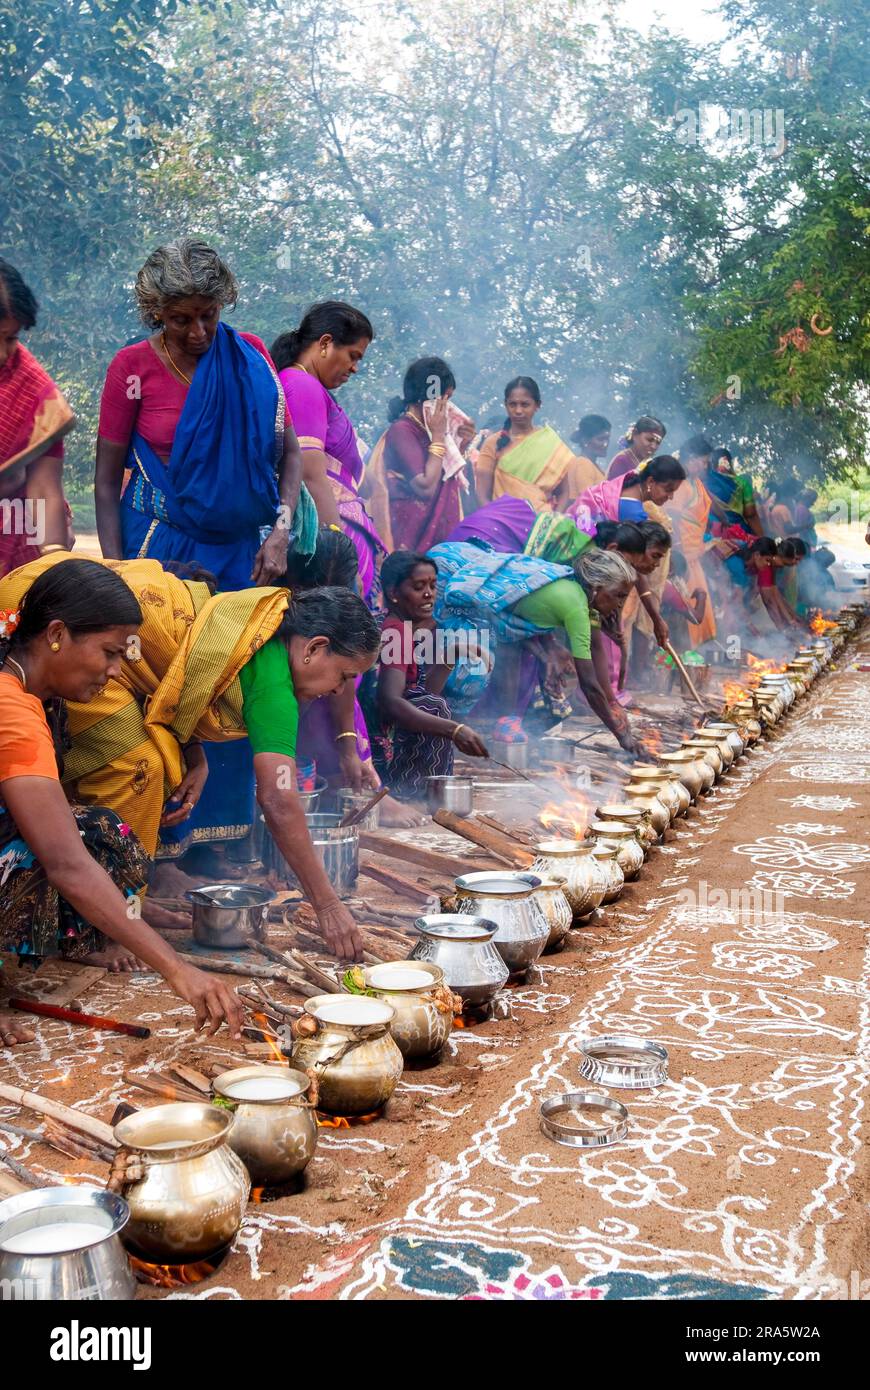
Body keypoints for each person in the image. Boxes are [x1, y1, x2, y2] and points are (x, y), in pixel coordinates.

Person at [0, 555, 381, 960]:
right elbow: (279, 800)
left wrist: (194, 754)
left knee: (156, 760)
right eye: (344, 675)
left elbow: (172, 685)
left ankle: (114, 902)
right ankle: (98, 929)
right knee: (137, 766)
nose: (341, 691)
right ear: (315, 648)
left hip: (39, 593)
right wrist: (328, 905)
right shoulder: (274, 684)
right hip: (47, 605)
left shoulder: (265, 625)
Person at [94, 238, 311, 870]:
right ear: (154, 312)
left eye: (208, 315)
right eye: (180, 318)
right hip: (158, 552)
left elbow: (290, 454)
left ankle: (219, 841)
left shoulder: (248, 358)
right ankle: (151, 848)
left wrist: (279, 528)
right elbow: (107, 481)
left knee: (231, 687)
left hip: (241, 555)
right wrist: (120, 575)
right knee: (154, 686)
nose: (197, 331)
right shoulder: (131, 367)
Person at [0, 560, 247, 1047]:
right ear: (56, 634)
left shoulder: (30, 686)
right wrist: (178, 971)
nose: (117, 671)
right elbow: (66, 866)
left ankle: (79, 938)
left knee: (101, 833)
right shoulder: (12, 710)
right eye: (111, 653)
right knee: (40, 856)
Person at [427, 541, 639, 752]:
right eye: (618, 595)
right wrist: (623, 738)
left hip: (457, 555)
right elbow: (589, 685)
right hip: (452, 569)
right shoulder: (575, 607)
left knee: (497, 652)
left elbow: (515, 622)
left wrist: (546, 656)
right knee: (471, 670)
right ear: (595, 587)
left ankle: (454, 731)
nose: (620, 604)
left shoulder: (570, 586)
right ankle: (437, 737)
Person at [363, 552, 489, 800]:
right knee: (437, 708)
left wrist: (450, 655)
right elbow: (390, 701)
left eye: (433, 585)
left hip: (388, 738)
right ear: (393, 593)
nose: (429, 594)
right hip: (381, 748)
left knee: (432, 705)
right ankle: (411, 794)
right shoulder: (395, 631)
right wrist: (455, 730)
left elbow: (420, 693)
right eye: (419, 587)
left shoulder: (399, 627)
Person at [0, 259, 75, 578]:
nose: (4, 354)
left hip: (13, 551)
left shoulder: (31, 387)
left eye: (11, 338)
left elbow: (44, 490)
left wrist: (53, 566)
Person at [568, 455, 686, 649]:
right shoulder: (632, 512)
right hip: (588, 572)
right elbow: (634, 566)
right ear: (650, 482)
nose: (670, 497)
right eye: (668, 489)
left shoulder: (623, 489)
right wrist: (656, 618)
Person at [364, 356, 474, 552]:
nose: (448, 407)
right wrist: (439, 436)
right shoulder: (403, 430)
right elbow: (425, 486)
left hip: (437, 542)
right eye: (444, 399)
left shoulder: (428, 431)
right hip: (408, 539)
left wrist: (461, 446)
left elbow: (447, 480)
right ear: (428, 397)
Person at [472, 377, 575, 511]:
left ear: (537, 405)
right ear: (506, 404)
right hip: (501, 524)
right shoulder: (493, 443)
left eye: (525, 404)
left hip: (542, 526)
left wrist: (553, 522)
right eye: (513, 404)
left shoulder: (550, 442)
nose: (518, 410)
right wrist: (495, 522)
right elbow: (482, 495)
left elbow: (563, 493)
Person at [665, 437, 719, 647]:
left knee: (698, 601)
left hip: (694, 554)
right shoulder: (679, 485)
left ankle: (694, 654)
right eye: (703, 462)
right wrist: (678, 557)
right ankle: (682, 653)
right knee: (685, 604)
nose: (706, 466)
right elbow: (672, 521)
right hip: (682, 556)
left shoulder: (695, 483)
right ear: (690, 458)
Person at [565, 414, 611, 500]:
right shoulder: (583, 464)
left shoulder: (591, 464)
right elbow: (588, 501)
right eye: (601, 439)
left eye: (607, 439)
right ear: (585, 440)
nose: (606, 444)